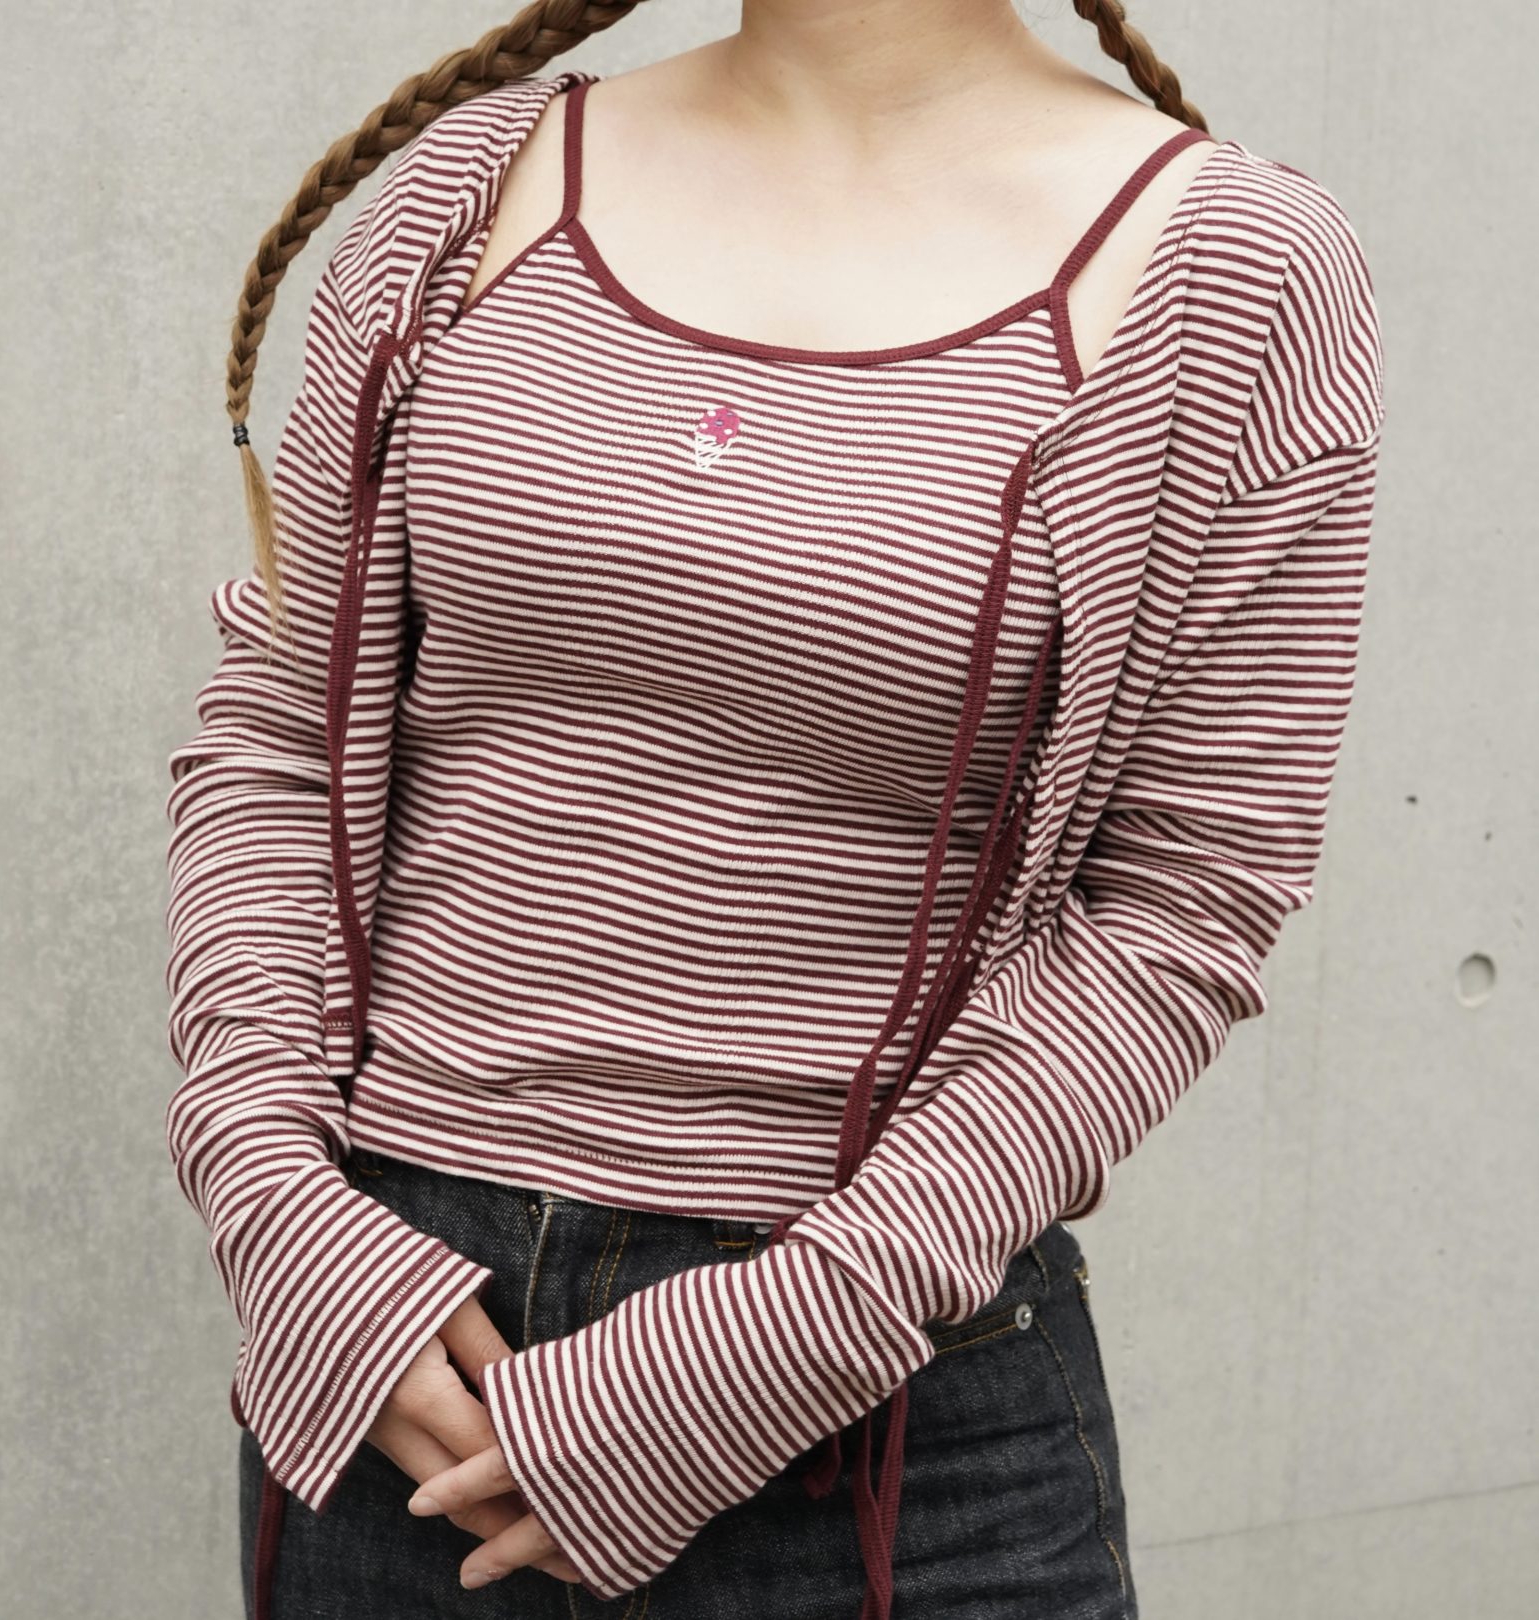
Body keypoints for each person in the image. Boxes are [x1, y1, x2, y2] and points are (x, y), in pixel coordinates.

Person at [163, 3, 1385, 1617]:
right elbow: (280, 737)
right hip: (394, 1374)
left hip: (875, 1417)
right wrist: (270, 1199)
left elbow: (1182, 904)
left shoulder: (1234, 270)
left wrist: (775, 1344)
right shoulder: (470, 187)